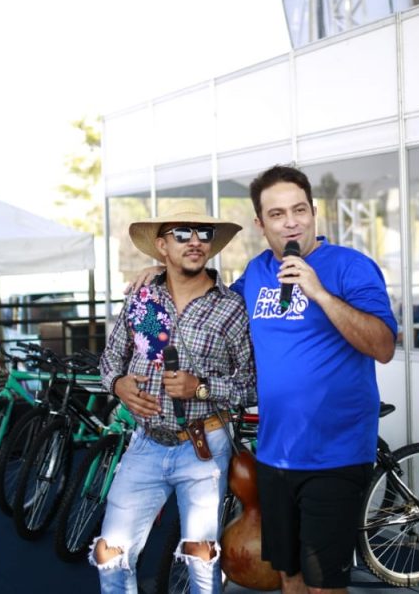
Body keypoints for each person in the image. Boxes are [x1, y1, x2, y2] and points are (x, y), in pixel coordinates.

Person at [231, 165, 397, 594]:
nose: (291, 222)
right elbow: (212, 312)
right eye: (278, 214)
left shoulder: (350, 267)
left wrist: (320, 292)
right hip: (275, 452)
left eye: (299, 210)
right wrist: (158, 279)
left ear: (314, 212)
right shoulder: (255, 272)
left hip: (335, 453)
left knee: (324, 585)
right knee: (290, 576)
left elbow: (383, 346)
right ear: (260, 224)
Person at [92, 201, 256, 594]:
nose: (195, 241)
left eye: (204, 234)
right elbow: (110, 361)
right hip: (146, 443)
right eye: (182, 233)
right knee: (110, 553)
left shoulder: (231, 307)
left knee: (201, 564)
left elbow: (251, 385)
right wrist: (118, 385)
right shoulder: (142, 299)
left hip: (204, 448)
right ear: (162, 246)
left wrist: (199, 387)